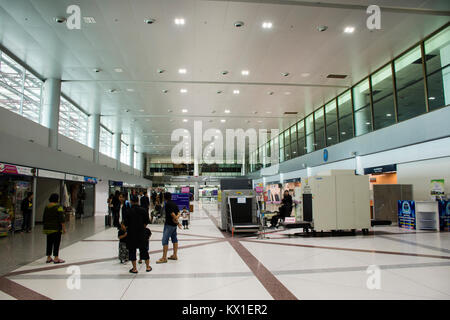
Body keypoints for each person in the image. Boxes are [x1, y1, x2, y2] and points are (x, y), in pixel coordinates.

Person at [123, 195, 152, 273]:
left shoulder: (128, 211)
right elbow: (147, 221)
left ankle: (134, 268)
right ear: (138, 201)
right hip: (141, 233)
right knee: (144, 250)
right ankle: (148, 267)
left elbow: (125, 224)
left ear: (131, 202)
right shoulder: (143, 210)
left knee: (132, 250)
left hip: (131, 234)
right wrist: (142, 228)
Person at [156, 192, 182, 264]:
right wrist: (177, 222)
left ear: (165, 197)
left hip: (169, 225)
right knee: (174, 239)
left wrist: (176, 219)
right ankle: (175, 255)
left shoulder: (167, 204)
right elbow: (179, 212)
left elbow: (172, 214)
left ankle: (164, 258)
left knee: (165, 240)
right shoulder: (174, 203)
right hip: (174, 225)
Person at [42, 193, 66, 264]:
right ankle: (56, 258)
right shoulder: (59, 207)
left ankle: (48, 257)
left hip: (47, 228)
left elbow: (44, 217)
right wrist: (64, 228)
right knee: (56, 243)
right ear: (56, 199)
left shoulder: (47, 207)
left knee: (49, 242)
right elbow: (61, 219)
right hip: (56, 228)